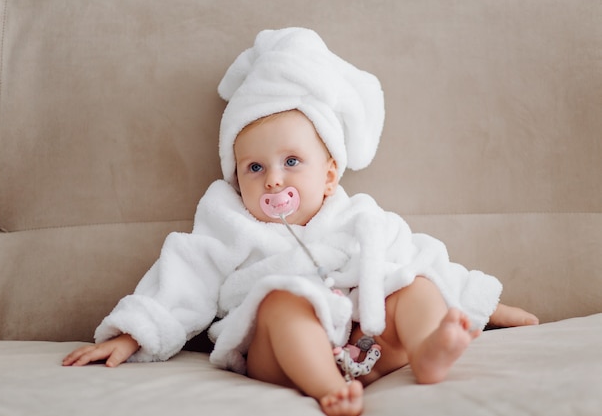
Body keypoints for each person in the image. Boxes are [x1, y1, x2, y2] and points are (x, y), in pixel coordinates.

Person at [63, 28, 538, 416]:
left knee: (414, 286)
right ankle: (327, 387)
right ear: (236, 177)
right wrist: (134, 332)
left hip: (367, 343)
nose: (273, 180)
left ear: (330, 174)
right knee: (283, 302)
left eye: (292, 161)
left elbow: (420, 259)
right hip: (279, 354)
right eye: (255, 168)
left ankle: (430, 349)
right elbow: (186, 273)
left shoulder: (360, 217)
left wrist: (486, 306)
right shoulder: (228, 219)